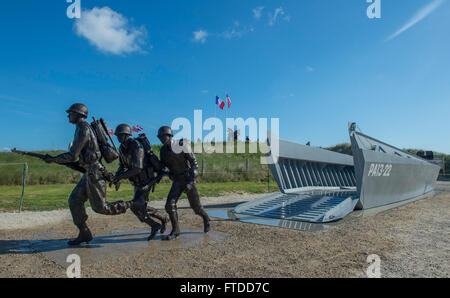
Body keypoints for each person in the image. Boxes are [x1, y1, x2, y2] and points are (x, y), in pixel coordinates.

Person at [44, 104, 130, 245]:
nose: (68, 116)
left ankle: (130, 204)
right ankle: (84, 232)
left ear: (78, 114)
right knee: (74, 200)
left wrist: (53, 159)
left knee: (101, 208)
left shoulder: (83, 128)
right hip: (89, 172)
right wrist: (54, 159)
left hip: (94, 172)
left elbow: (72, 155)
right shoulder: (81, 128)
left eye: (70, 113)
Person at [111, 124, 168, 240]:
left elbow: (137, 168)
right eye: (117, 135)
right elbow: (122, 165)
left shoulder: (137, 147)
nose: (118, 137)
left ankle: (155, 225)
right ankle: (162, 219)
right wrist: (117, 177)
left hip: (146, 180)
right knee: (141, 205)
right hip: (136, 181)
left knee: (135, 206)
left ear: (126, 135)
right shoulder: (122, 148)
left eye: (120, 135)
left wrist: (120, 177)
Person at [157, 126, 210, 241]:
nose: (161, 139)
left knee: (196, 208)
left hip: (188, 178)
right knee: (169, 206)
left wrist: (190, 182)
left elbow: (194, 165)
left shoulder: (182, 145)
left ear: (170, 136)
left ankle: (206, 218)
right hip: (177, 180)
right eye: (160, 137)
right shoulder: (163, 151)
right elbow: (161, 167)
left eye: (163, 136)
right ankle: (176, 230)